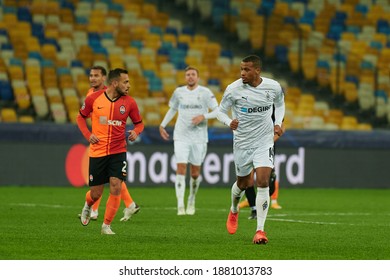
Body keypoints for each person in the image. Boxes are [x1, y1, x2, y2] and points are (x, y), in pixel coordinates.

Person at [217, 55, 285, 244]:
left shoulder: (273, 87)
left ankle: (260, 231)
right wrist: (228, 121)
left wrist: (278, 123)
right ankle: (234, 208)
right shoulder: (233, 89)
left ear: (257, 71)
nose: (242, 73)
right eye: (241, 69)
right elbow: (220, 111)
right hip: (243, 143)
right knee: (243, 183)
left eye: (246, 70)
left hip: (264, 142)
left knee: (263, 181)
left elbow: (280, 104)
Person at [77, 68, 144, 234]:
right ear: (115, 83)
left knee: (116, 186)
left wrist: (136, 131)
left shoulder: (130, 102)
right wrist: (88, 134)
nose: (128, 85)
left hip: (118, 150)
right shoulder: (93, 98)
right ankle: (88, 205)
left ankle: (106, 226)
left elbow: (139, 123)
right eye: (125, 82)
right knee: (96, 193)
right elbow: (80, 117)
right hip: (98, 151)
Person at [159, 66, 218, 215]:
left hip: (199, 138)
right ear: (185, 78)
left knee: (195, 173)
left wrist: (203, 116)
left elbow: (218, 111)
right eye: (187, 75)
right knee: (180, 168)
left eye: (193, 74)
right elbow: (173, 109)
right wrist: (163, 124)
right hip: (181, 136)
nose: (190, 77)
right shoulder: (179, 92)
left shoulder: (205, 93)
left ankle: (191, 199)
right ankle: (180, 205)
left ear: (198, 77)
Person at [239, 120, 286, 219]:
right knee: (248, 180)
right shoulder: (248, 107)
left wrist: (269, 141)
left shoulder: (274, 106)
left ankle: (257, 202)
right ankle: (254, 209)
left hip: (266, 147)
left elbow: (282, 126)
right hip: (248, 146)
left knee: (267, 183)